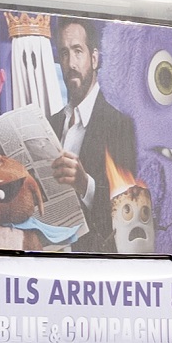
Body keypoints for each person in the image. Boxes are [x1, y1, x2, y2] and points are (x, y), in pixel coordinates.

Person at [48, 17, 138, 254]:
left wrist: (84, 184)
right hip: (47, 257)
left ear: (95, 58)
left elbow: (126, 213)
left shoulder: (119, 125)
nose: (71, 63)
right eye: (64, 53)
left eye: (78, 51)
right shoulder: (51, 123)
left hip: (91, 261)